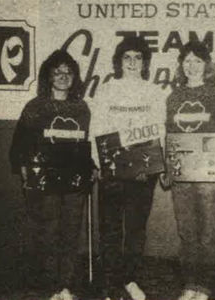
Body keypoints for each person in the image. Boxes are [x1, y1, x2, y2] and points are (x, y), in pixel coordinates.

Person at [88, 36, 166, 300]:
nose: (132, 62)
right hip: (112, 168)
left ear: (145, 63)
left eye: (138, 58)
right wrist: (97, 163)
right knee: (110, 228)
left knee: (135, 228)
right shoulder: (107, 90)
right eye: (127, 57)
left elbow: (159, 131)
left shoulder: (154, 91)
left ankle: (131, 280)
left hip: (143, 169)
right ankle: (110, 285)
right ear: (119, 62)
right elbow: (96, 128)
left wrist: (160, 164)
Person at [9, 50, 91, 298]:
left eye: (68, 72)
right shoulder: (35, 107)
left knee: (70, 232)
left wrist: (92, 167)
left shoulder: (81, 108)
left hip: (74, 180)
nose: (63, 77)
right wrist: (24, 169)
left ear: (75, 77)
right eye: (57, 72)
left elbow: (86, 144)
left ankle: (65, 286)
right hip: (45, 180)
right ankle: (51, 288)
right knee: (48, 232)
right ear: (48, 76)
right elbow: (19, 144)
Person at [162, 41, 215, 300]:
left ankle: (204, 286)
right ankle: (190, 284)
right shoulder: (174, 96)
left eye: (197, 61)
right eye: (187, 61)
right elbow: (169, 135)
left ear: (206, 66)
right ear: (181, 65)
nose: (191, 66)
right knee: (187, 231)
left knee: (208, 232)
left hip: (209, 175)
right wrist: (166, 165)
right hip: (182, 174)